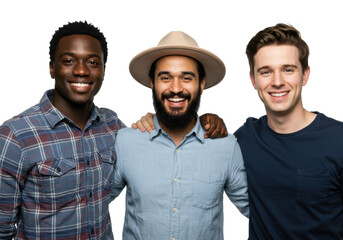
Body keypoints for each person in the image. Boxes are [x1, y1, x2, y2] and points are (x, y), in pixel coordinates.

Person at [0, 21, 226, 239]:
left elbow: (155, 145)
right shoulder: (16, 136)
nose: (81, 71)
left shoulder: (112, 126)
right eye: (69, 61)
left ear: (103, 70)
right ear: (52, 67)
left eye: (92, 62)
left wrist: (203, 121)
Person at [111, 31, 249, 240]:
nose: (175, 88)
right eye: (165, 77)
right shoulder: (126, 142)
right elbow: (93, 204)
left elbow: (257, 211)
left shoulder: (226, 146)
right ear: (152, 83)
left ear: (201, 84)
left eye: (186, 78)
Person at [234, 23, 343, 239]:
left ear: (304, 75)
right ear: (253, 80)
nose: (277, 82)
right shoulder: (245, 139)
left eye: (288, 69)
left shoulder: (339, 139)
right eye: (266, 72)